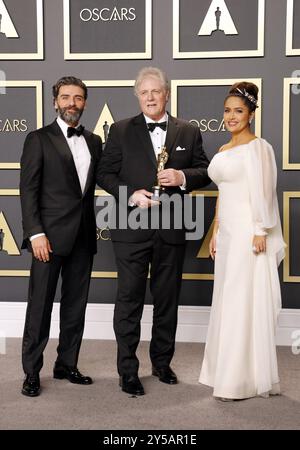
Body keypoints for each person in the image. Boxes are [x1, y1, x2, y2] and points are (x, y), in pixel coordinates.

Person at [98, 66, 210, 396]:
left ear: (167, 94)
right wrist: (129, 194)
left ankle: (162, 364)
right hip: (131, 229)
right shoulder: (119, 131)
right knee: (129, 300)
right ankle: (127, 371)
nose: (150, 97)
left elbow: (205, 170)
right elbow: (104, 174)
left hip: (172, 227)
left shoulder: (188, 131)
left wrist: (183, 178)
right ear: (137, 96)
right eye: (144, 92)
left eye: (156, 91)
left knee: (167, 300)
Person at [199, 82, 285, 401]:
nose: (231, 116)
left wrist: (261, 230)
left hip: (250, 233)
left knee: (241, 300)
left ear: (250, 114)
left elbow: (264, 191)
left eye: (238, 111)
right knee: (226, 298)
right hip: (228, 233)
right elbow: (223, 194)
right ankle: (224, 373)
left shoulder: (259, 147)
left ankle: (238, 381)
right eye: (227, 110)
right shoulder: (223, 150)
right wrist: (217, 231)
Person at [20, 76, 102, 397]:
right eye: (66, 97)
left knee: (75, 306)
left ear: (84, 103)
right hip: (48, 239)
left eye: (78, 98)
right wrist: (35, 233)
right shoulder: (38, 139)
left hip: (82, 236)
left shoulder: (94, 141)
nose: (72, 103)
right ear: (55, 101)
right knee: (39, 306)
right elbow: (28, 191)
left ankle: (66, 363)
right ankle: (31, 371)